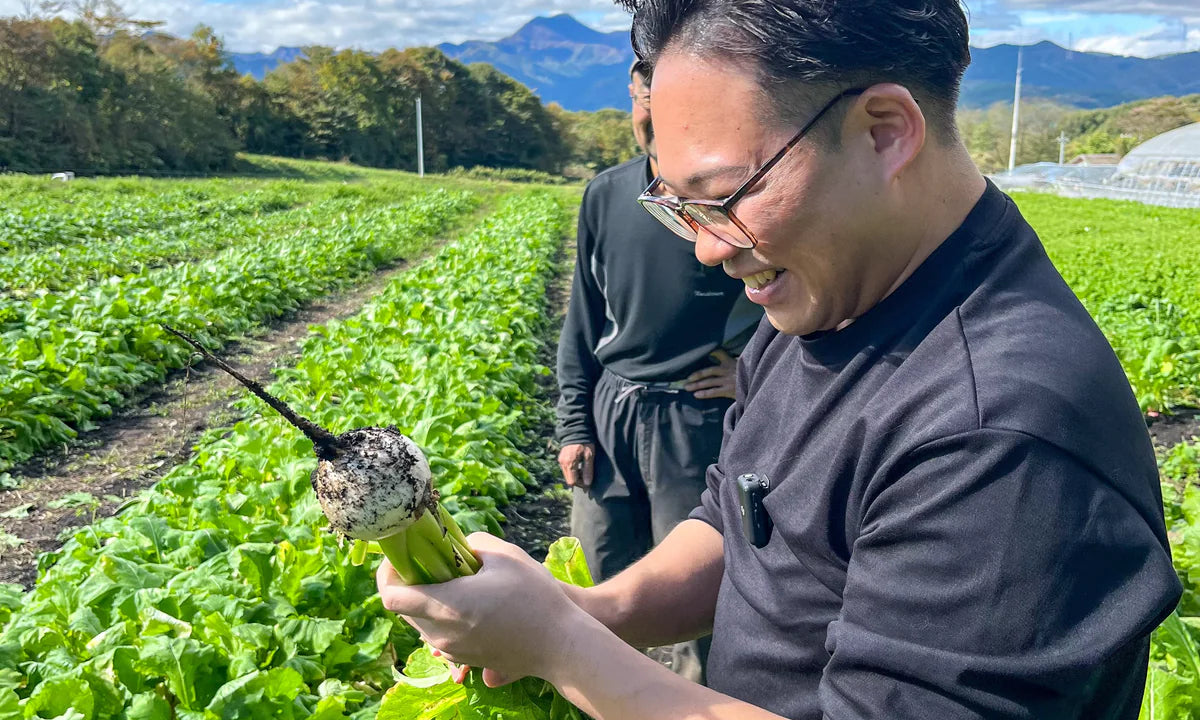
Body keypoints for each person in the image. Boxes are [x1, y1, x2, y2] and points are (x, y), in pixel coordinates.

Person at [377, 2, 1183, 718]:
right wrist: (596, 608)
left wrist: (560, 645)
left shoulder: (1000, 435)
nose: (703, 247)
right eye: (677, 203)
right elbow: (743, 518)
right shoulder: (830, 304)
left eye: (724, 196)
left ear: (884, 132)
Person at [554, 60, 762, 683]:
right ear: (633, 100)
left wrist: (747, 373)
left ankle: (695, 698)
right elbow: (583, 320)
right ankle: (597, 692)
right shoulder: (607, 193)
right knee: (600, 576)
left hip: (693, 418)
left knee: (695, 593)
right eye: (646, 97)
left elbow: (788, 295)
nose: (655, 115)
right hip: (611, 410)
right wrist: (573, 425)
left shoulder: (729, 197)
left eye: (672, 99)